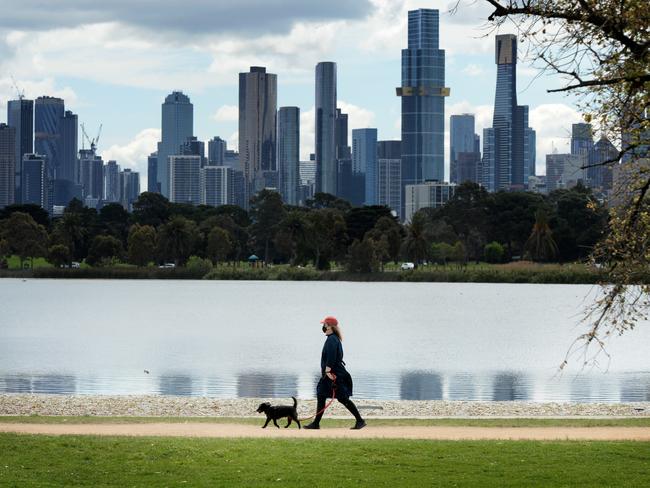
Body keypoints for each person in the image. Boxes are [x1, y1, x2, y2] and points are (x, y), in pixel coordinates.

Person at [304, 316, 366, 430]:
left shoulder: (332, 339)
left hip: (333, 374)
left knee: (342, 398)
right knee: (321, 394)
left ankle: (360, 420)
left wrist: (327, 370)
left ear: (329, 326)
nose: (323, 327)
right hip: (332, 374)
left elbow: (332, 356)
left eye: (324, 325)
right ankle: (316, 423)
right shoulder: (334, 338)